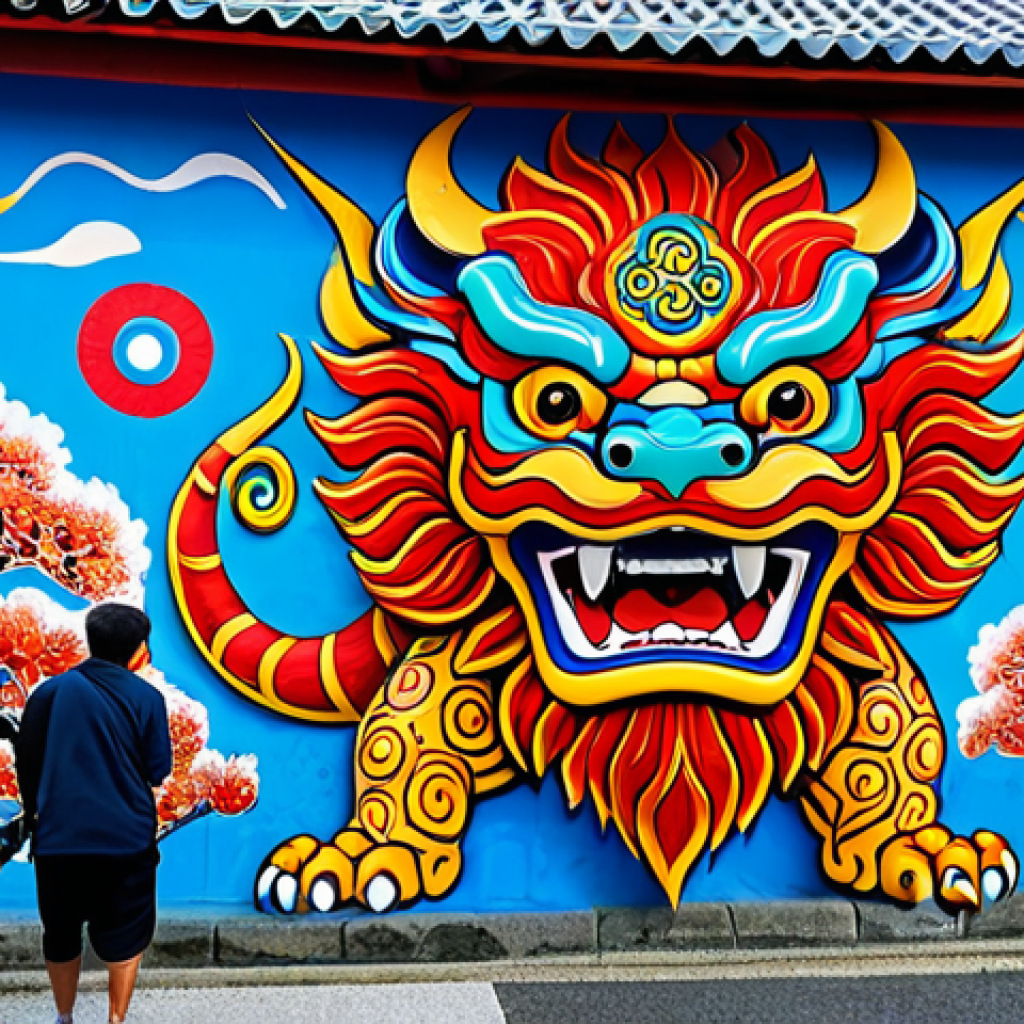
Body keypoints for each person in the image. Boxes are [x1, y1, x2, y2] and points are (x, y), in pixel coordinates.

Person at [15, 603, 172, 1024]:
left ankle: (64, 1016)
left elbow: (27, 764)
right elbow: (158, 770)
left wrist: (37, 816)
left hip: (60, 840)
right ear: (139, 649)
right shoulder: (147, 698)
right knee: (127, 933)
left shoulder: (48, 694)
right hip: (126, 841)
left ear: (90, 640)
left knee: (61, 933)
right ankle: (115, 1018)